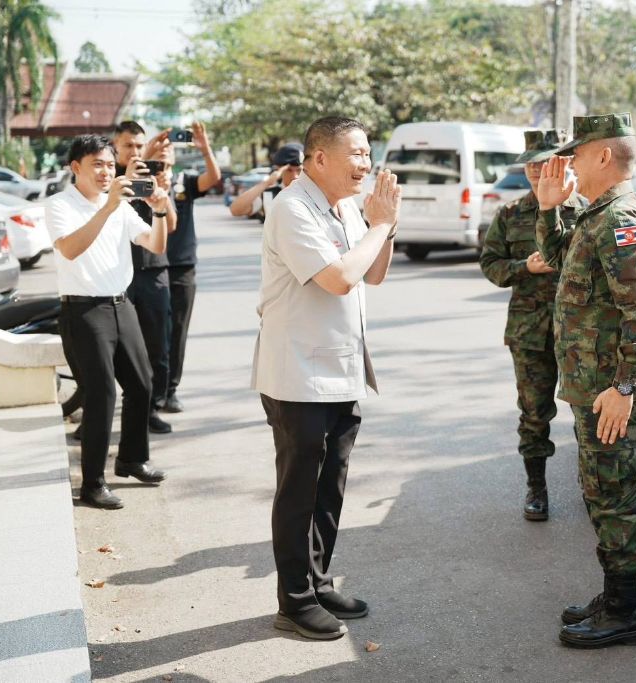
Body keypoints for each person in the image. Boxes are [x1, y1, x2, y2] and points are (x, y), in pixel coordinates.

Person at [252, 116, 400, 640]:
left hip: (341, 369)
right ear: (319, 158)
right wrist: (378, 226)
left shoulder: (345, 207)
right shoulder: (292, 208)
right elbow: (338, 279)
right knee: (299, 492)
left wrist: (385, 226)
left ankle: (317, 582)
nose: (366, 163)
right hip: (299, 377)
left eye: (368, 153)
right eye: (356, 153)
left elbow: (371, 274)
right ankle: (293, 601)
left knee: (329, 488)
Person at [535, 113, 636, 648]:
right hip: (595, 384)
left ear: (604, 156)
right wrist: (549, 208)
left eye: (577, 155)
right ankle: (616, 596)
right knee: (599, 488)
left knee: (612, 494)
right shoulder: (597, 213)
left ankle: (625, 610)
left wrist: (624, 387)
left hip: (610, 388)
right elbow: (555, 257)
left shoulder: (619, 218)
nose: (569, 164)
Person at [46, 134, 170, 510]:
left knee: (142, 385)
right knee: (101, 395)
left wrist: (159, 211)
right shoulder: (59, 204)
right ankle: (92, 484)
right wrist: (109, 207)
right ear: (76, 167)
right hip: (84, 311)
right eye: (97, 164)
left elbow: (155, 244)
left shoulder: (121, 204)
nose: (105, 172)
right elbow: (70, 248)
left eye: (110, 165)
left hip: (121, 304)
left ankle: (131, 459)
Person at [479, 129, 582, 521]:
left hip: (581, 333)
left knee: (587, 413)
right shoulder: (510, 214)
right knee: (535, 414)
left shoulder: (584, 210)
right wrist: (525, 267)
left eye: (546, 163)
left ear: (564, 164)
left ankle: (594, 486)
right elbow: (490, 264)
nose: (538, 171)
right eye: (531, 165)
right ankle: (536, 488)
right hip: (530, 333)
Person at [113, 120, 178, 434]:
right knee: (115, 348)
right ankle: (99, 409)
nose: (136, 151)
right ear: (115, 146)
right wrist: (125, 180)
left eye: (140, 145)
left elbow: (172, 224)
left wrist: (161, 192)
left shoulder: (155, 176)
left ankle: (151, 409)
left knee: (157, 346)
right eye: (129, 145)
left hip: (154, 271)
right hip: (118, 274)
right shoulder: (108, 178)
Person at [162, 121, 222, 414]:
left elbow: (213, 178)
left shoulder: (184, 181)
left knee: (177, 331)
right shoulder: (138, 181)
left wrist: (205, 148)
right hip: (148, 268)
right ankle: (148, 389)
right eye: (159, 145)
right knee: (148, 333)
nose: (165, 151)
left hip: (182, 268)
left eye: (169, 147)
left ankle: (170, 390)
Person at [229, 143, 304, 219]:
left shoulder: (309, 191)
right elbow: (235, 210)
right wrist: (266, 183)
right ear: (279, 169)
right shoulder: (269, 194)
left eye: (299, 170)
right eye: (289, 170)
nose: (295, 176)